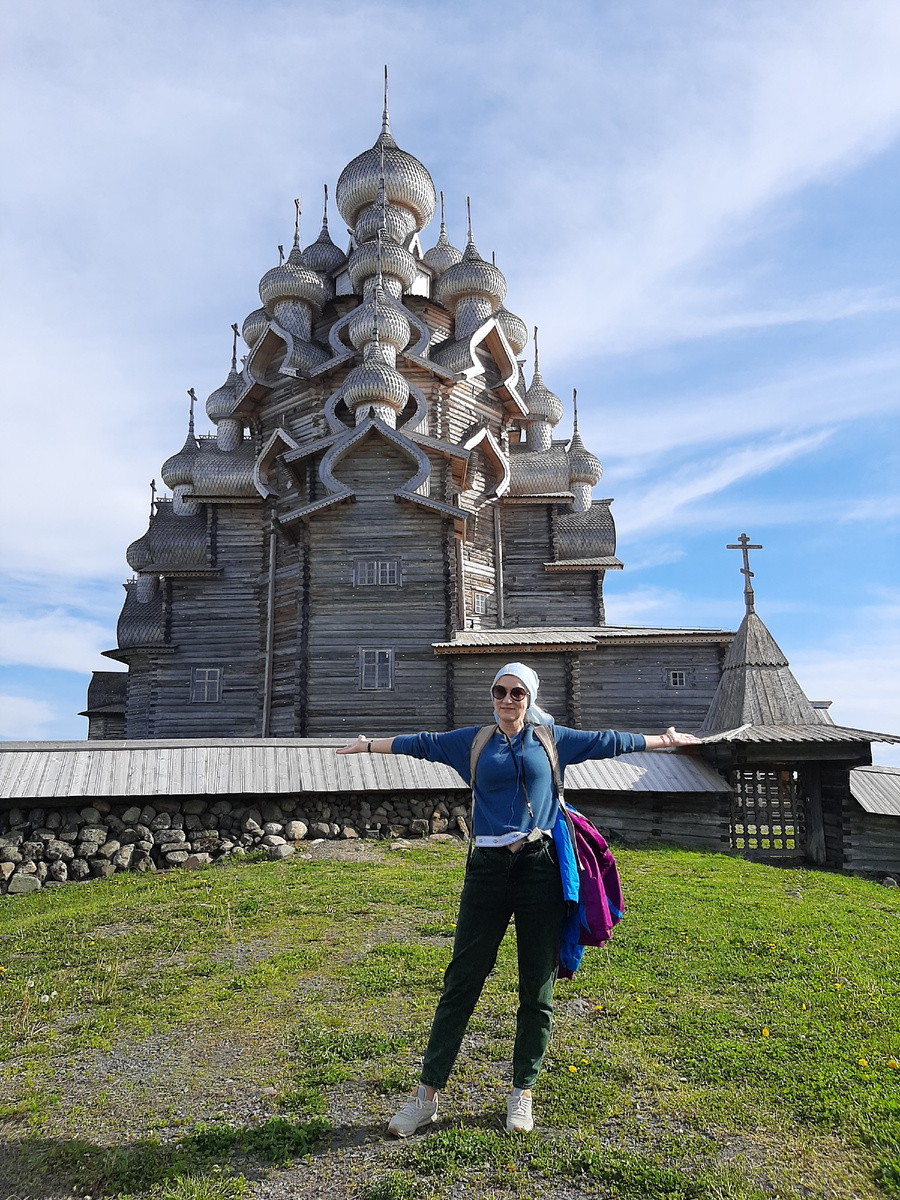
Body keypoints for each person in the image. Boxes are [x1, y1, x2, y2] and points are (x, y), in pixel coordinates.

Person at [336, 662, 700, 1137]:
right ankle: (426, 1097)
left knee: (537, 985)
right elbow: (420, 744)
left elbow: (610, 740)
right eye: (500, 692)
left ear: (530, 699)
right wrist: (366, 745)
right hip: (486, 871)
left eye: (518, 693)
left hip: (539, 867)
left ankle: (521, 1092)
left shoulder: (552, 739)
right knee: (462, 979)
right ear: (492, 696)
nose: (508, 700)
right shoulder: (474, 741)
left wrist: (664, 740)